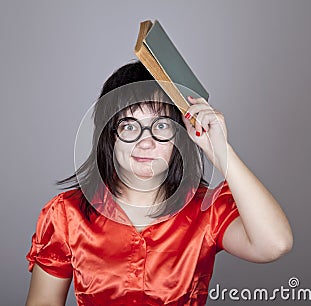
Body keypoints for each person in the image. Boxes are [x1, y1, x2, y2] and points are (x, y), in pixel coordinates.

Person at [25, 61, 293, 306]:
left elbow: (275, 244)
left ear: (179, 136)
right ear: (109, 136)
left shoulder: (208, 209)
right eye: (129, 126)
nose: (146, 142)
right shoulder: (65, 215)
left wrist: (220, 151)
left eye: (161, 125)